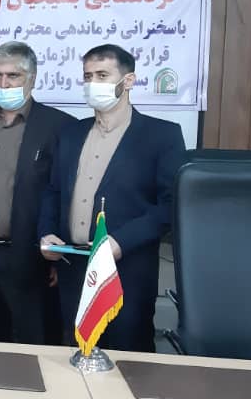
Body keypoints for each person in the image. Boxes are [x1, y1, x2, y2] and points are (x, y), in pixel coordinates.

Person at [39, 43, 186, 353]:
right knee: (77, 356)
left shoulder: (162, 136)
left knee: (128, 361)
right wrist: (47, 232)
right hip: (74, 270)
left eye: (102, 75)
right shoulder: (70, 133)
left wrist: (121, 242)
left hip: (127, 273)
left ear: (128, 81)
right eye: (88, 76)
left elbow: (170, 206)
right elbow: (53, 191)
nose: (93, 83)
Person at [0, 42, 74, 344]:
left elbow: (63, 194)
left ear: (32, 79)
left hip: (30, 253)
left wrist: (56, 257)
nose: (4, 83)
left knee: (33, 339)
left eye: (13, 76)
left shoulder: (59, 126)